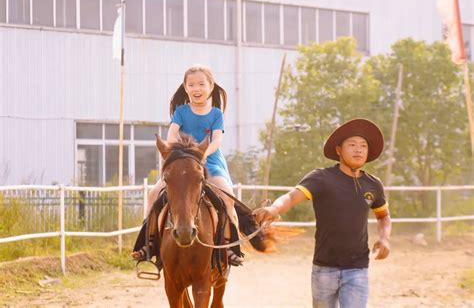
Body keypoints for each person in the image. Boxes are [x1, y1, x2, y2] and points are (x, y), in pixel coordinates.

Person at [253, 118, 392, 308]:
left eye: (363, 146)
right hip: (324, 268)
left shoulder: (373, 184)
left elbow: (383, 216)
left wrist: (384, 238)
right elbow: (292, 197)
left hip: (357, 269)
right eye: (352, 145)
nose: (358, 150)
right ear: (338, 150)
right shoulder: (321, 178)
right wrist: (273, 208)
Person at [132, 64, 243, 266]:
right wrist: (173, 150)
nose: (196, 88)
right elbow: (172, 134)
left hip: (210, 162)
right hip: (182, 163)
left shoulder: (216, 114)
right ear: (185, 87)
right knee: (153, 194)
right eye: (191, 84)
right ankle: (148, 241)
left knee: (228, 198)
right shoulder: (181, 111)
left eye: (201, 84)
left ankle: (229, 247)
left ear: (210, 87)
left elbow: (217, 140)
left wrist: (200, 154)